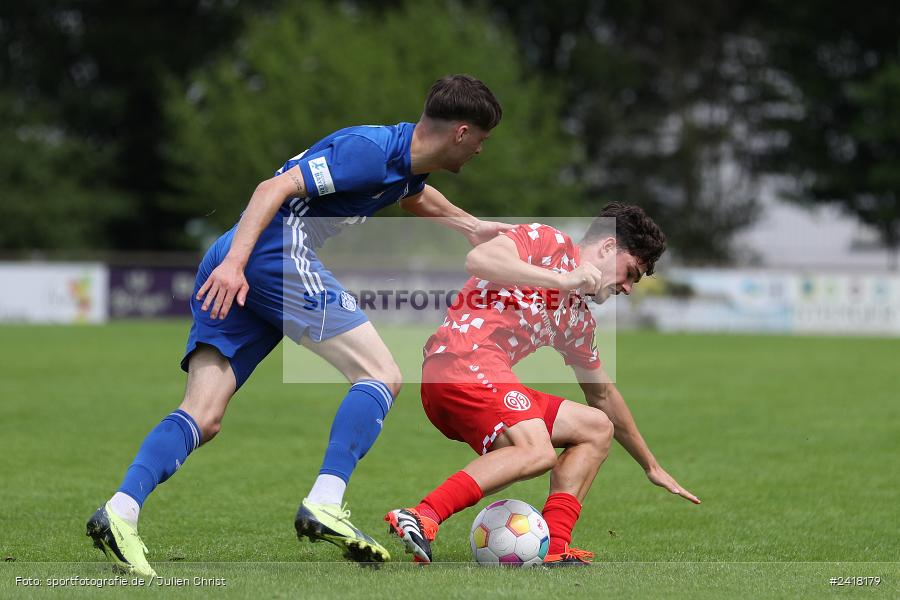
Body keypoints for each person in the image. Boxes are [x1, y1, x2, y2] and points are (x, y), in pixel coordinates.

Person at [86, 75, 509, 576]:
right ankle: (325, 502)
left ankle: (120, 511)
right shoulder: (370, 151)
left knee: (204, 414)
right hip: (270, 253)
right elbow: (274, 187)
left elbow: (413, 195)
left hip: (242, 255)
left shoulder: (404, 164)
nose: (481, 150)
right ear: (461, 132)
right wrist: (236, 264)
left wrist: (471, 226)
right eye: (482, 140)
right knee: (380, 373)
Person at [385, 203, 700, 566]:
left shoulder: (578, 319)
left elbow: (602, 394)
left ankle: (554, 547)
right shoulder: (548, 242)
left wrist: (651, 465)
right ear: (607, 247)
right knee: (538, 451)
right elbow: (479, 259)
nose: (628, 288)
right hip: (460, 360)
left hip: (483, 378)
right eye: (630, 273)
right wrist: (564, 280)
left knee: (596, 428)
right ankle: (423, 514)